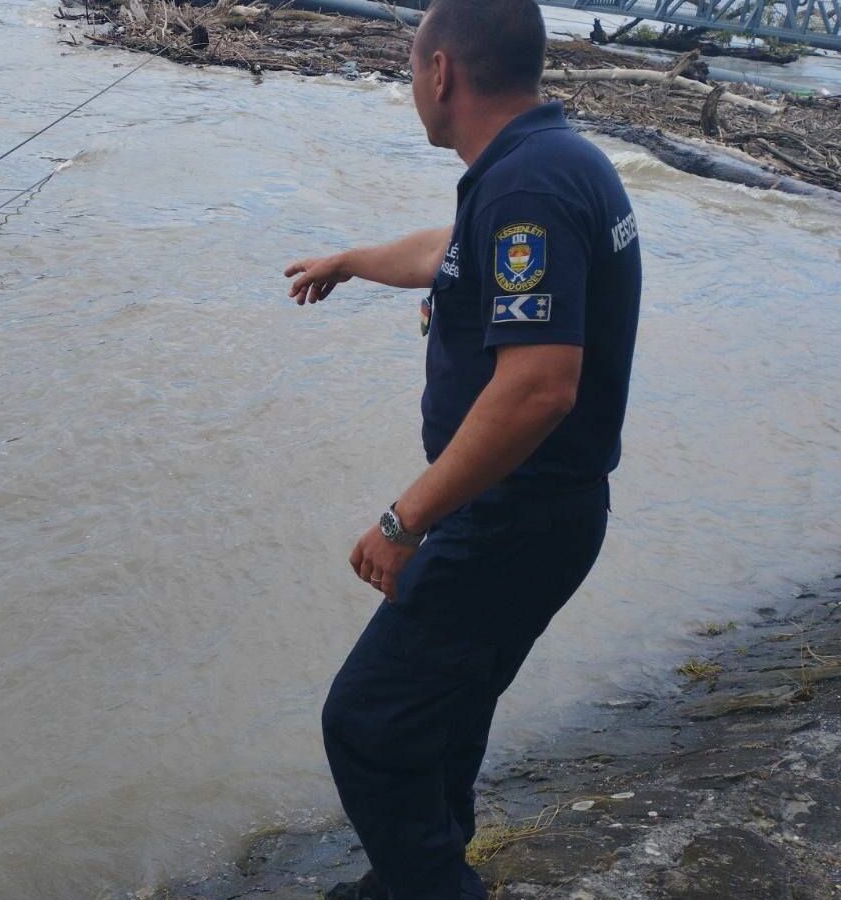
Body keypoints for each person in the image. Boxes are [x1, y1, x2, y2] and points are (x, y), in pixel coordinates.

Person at [282, 1, 642, 897]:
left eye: (413, 73)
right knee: (443, 710)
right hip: (539, 513)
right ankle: (411, 874)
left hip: (511, 517)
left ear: (441, 73)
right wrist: (353, 260)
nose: (415, 90)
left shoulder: (528, 185)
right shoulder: (546, 164)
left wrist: (405, 519)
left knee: (365, 721)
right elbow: (451, 253)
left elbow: (539, 386)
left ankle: (434, 885)